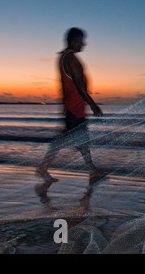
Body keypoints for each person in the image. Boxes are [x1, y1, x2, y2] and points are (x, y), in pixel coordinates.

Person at [36, 28, 106, 182]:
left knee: (81, 141)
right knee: (66, 140)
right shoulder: (71, 59)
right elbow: (80, 85)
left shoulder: (63, 57)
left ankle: (92, 170)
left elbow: (64, 85)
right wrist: (93, 105)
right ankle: (43, 167)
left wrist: (66, 104)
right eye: (81, 41)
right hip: (74, 108)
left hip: (73, 107)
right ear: (74, 41)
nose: (84, 44)